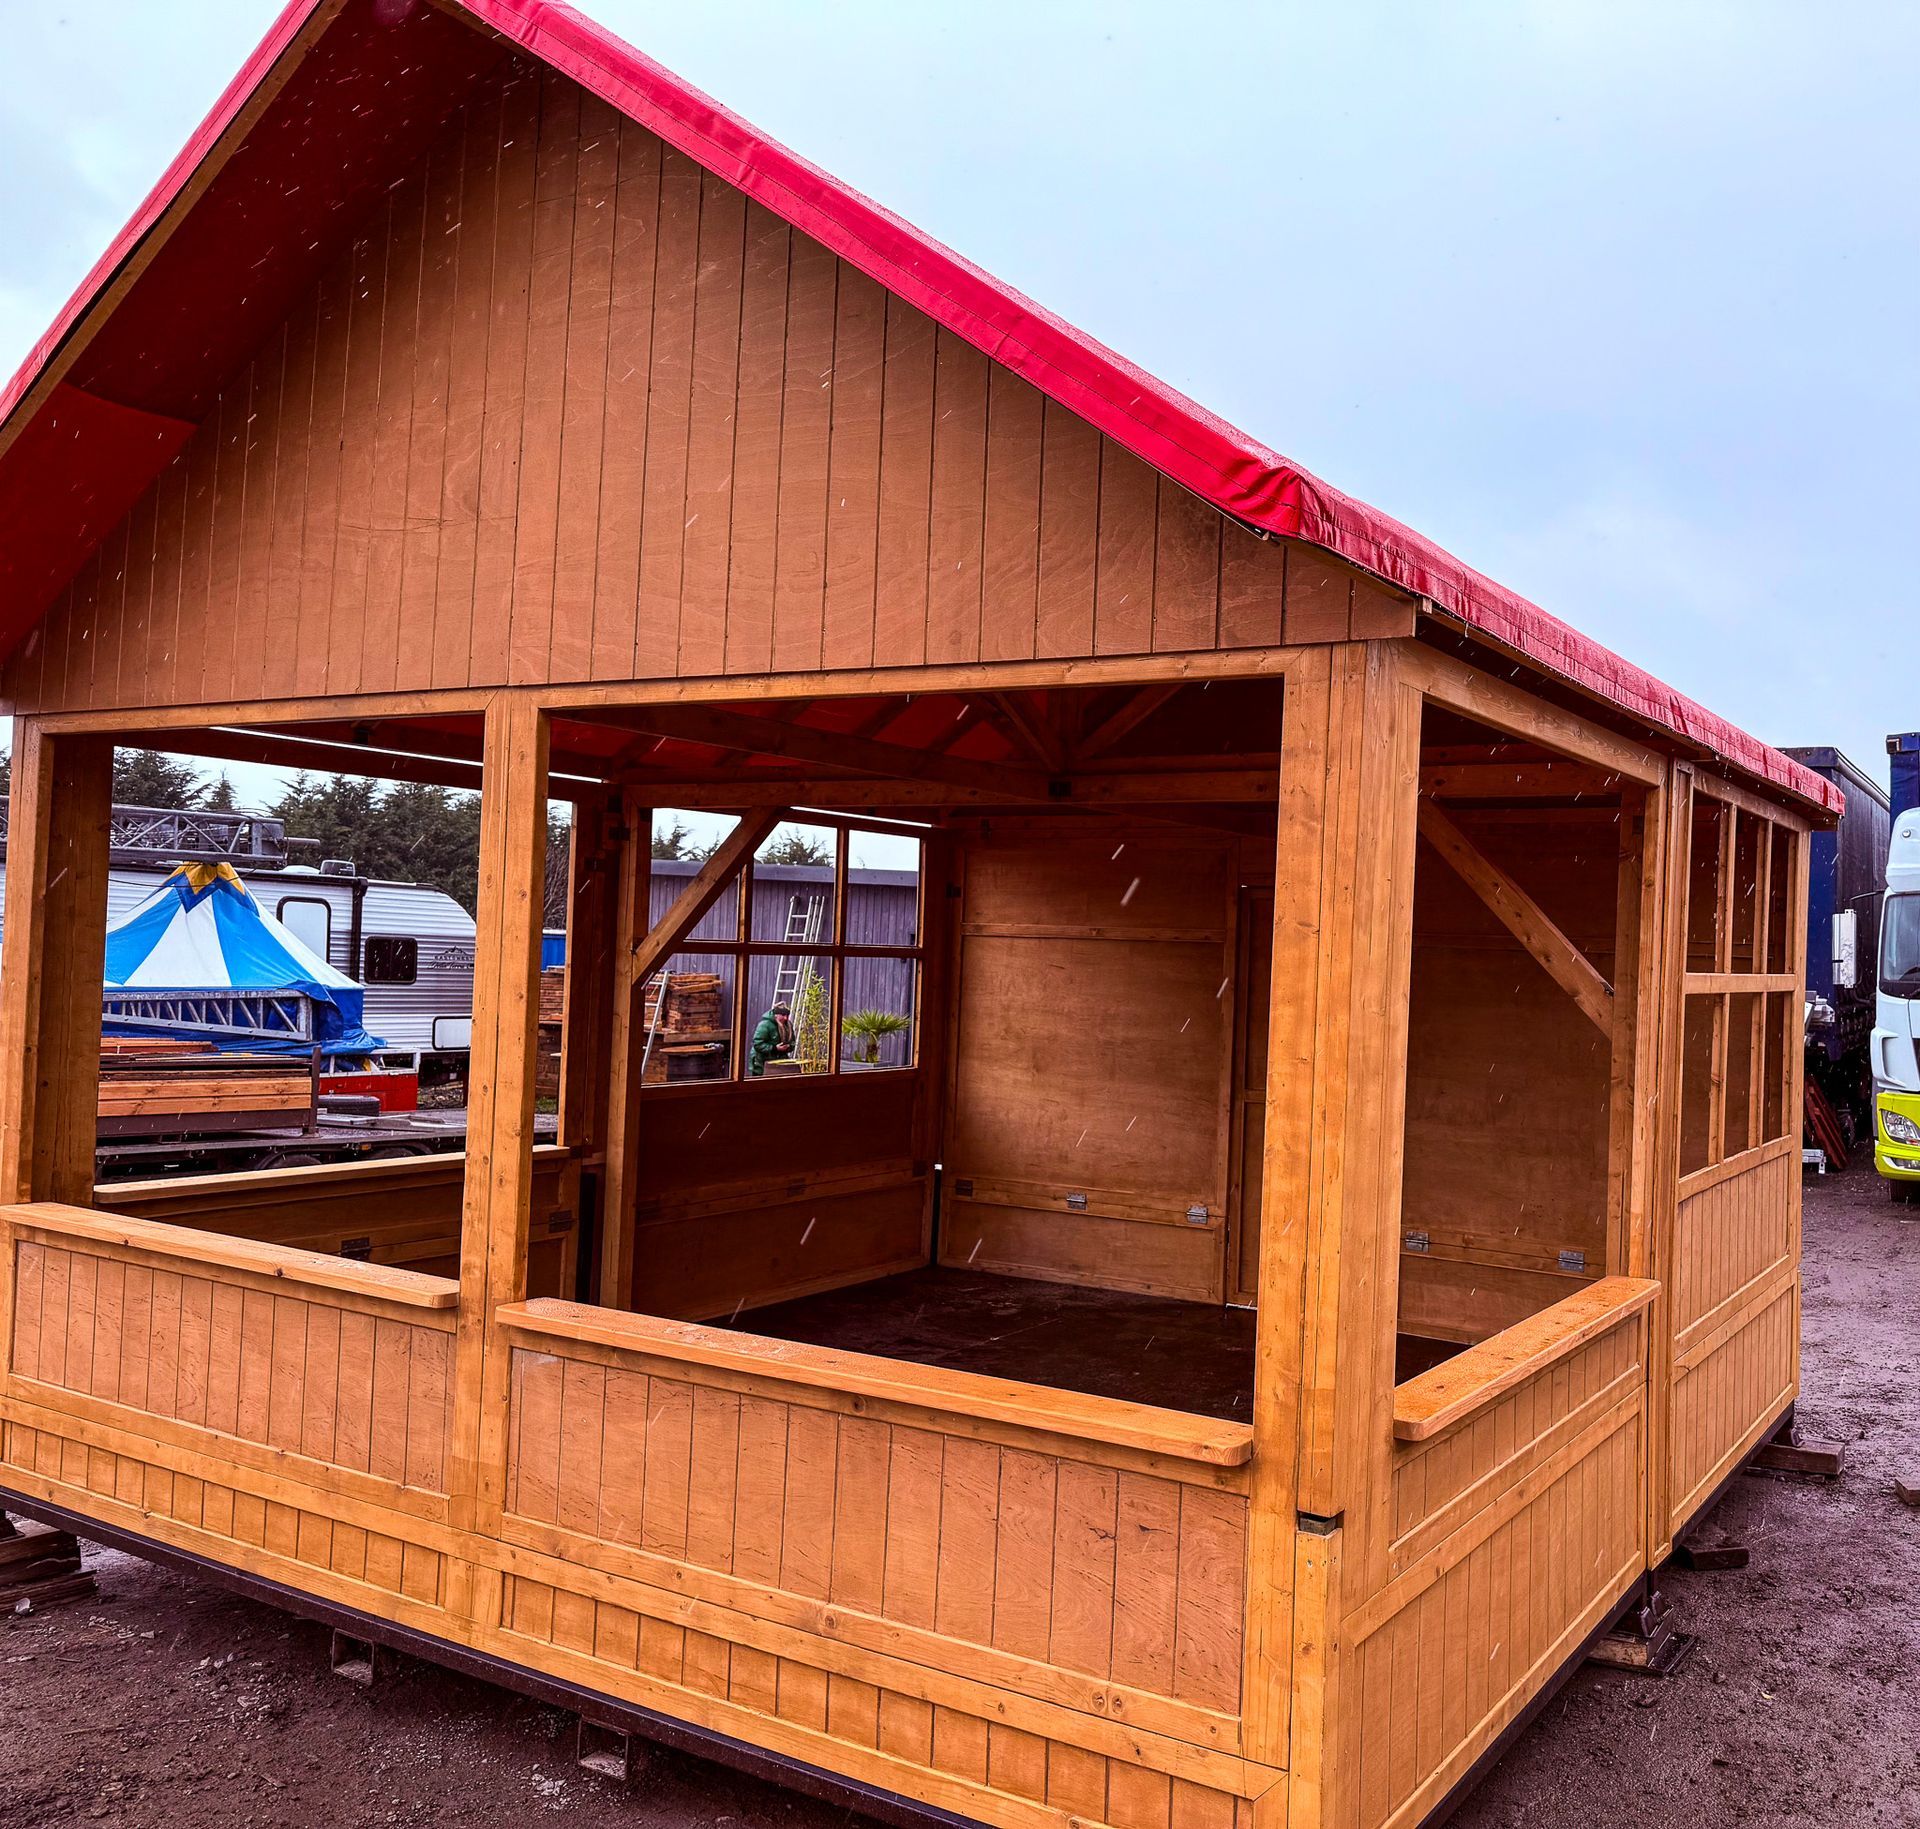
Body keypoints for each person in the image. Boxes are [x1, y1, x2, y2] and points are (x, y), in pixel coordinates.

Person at [749, 999, 794, 1076]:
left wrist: (788, 1047)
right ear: (776, 1015)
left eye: (787, 1015)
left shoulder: (788, 1026)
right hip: (761, 1063)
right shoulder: (764, 1025)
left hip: (778, 1061)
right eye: (783, 1015)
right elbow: (757, 1044)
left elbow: (793, 1042)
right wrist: (774, 1048)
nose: (786, 1018)